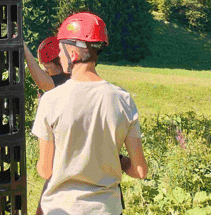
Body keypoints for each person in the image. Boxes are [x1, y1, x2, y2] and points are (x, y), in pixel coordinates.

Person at [32, 13, 148, 214]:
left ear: (72, 53)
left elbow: (45, 170)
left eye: (60, 50)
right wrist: (119, 161)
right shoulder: (124, 100)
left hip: (61, 209)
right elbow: (140, 170)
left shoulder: (51, 100)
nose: (59, 56)